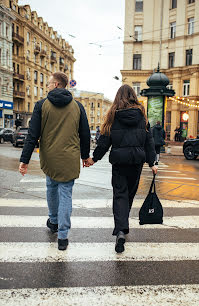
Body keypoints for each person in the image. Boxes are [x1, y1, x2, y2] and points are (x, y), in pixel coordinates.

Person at [19, 72, 90, 251]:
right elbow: (85, 134)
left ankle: (54, 222)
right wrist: (85, 156)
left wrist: (24, 160)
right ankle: (63, 236)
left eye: (49, 83)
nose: (47, 86)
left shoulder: (41, 105)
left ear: (57, 84)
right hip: (70, 158)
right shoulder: (78, 106)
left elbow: (33, 135)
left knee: (51, 187)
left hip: (49, 157)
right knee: (66, 193)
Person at [86, 85, 157, 253]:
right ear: (133, 96)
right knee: (129, 194)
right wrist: (152, 162)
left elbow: (104, 141)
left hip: (119, 162)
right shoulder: (142, 115)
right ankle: (123, 226)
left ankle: (120, 230)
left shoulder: (113, 115)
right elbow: (149, 141)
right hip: (136, 162)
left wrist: (93, 158)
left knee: (119, 195)